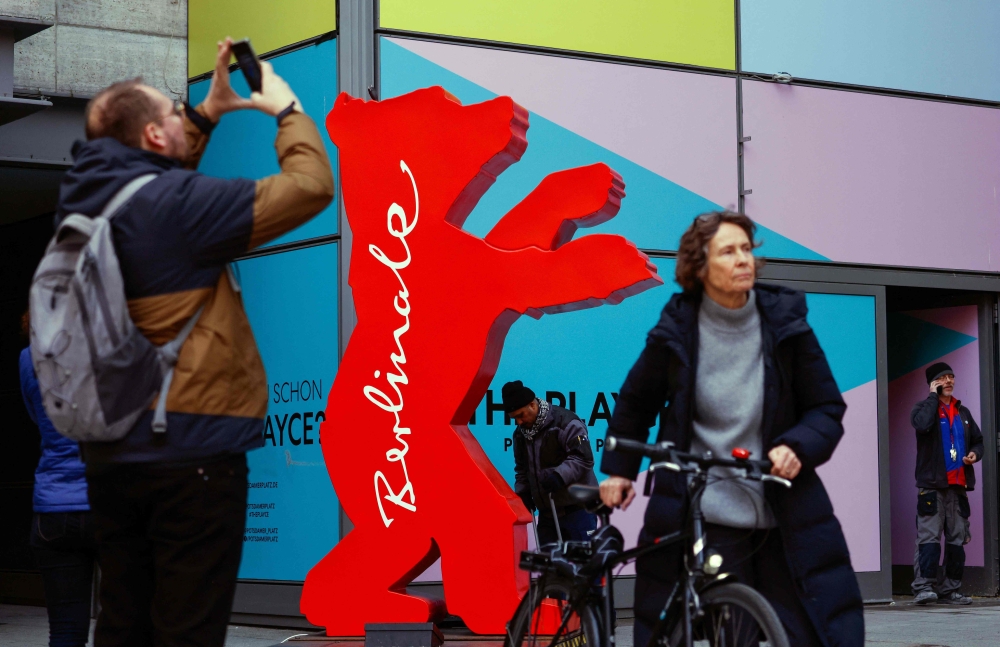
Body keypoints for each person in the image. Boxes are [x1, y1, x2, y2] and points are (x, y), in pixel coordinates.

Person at [56, 38, 334, 647]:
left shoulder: (82, 205)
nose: (183, 121)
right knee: (188, 628)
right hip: (191, 457)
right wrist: (286, 111)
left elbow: (151, 186)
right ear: (155, 137)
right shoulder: (183, 207)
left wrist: (208, 112)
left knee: (125, 622)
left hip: (110, 454)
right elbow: (312, 186)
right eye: (172, 115)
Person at [598, 211, 864, 647]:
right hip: (706, 505)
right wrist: (620, 471)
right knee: (725, 633)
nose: (743, 260)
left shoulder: (786, 325)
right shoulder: (677, 331)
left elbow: (825, 407)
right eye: (728, 251)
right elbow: (635, 403)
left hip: (783, 505)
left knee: (814, 625)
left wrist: (797, 446)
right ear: (700, 268)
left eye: (746, 249)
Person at [20, 310, 96, 647]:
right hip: (109, 504)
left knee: (65, 631)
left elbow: (39, 419)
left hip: (54, 508)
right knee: (127, 624)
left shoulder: (29, 358)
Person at [909, 362, 983, 605]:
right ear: (933, 383)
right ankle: (923, 588)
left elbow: (978, 441)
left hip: (958, 486)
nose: (949, 381)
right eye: (943, 378)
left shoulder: (964, 413)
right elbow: (921, 425)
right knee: (929, 539)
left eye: (951, 376)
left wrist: (974, 454)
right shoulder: (923, 408)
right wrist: (932, 397)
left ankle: (950, 590)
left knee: (956, 540)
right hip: (932, 485)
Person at [505, 380, 599, 545]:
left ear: (532, 405)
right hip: (548, 514)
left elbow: (583, 458)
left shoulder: (566, 422)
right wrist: (524, 494)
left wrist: (559, 476)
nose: (519, 422)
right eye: (514, 418)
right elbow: (522, 470)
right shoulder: (520, 435)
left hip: (579, 509)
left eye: (521, 415)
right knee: (549, 568)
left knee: (585, 567)